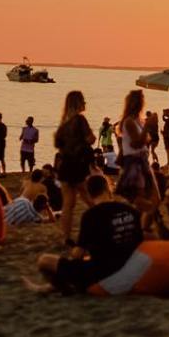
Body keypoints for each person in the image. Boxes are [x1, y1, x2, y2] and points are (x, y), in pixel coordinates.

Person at [27, 174, 143, 294]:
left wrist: (75, 252)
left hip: (103, 272)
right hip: (130, 266)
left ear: (89, 193)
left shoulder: (91, 215)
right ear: (108, 189)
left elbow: (78, 254)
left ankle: (64, 289)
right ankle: (55, 288)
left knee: (44, 261)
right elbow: (141, 239)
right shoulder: (129, 210)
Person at [53, 91, 96, 245]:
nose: (85, 103)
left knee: (68, 203)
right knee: (88, 197)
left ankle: (66, 237)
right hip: (77, 164)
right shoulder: (80, 120)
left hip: (65, 165)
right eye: (83, 100)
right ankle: (102, 224)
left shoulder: (64, 123)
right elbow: (90, 139)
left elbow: (57, 144)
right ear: (78, 103)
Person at [116, 91, 160, 224]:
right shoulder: (129, 122)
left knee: (153, 198)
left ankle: (141, 226)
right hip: (134, 162)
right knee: (141, 198)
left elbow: (145, 140)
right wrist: (147, 126)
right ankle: (143, 224)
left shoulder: (138, 121)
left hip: (142, 160)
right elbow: (137, 143)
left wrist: (148, 126)